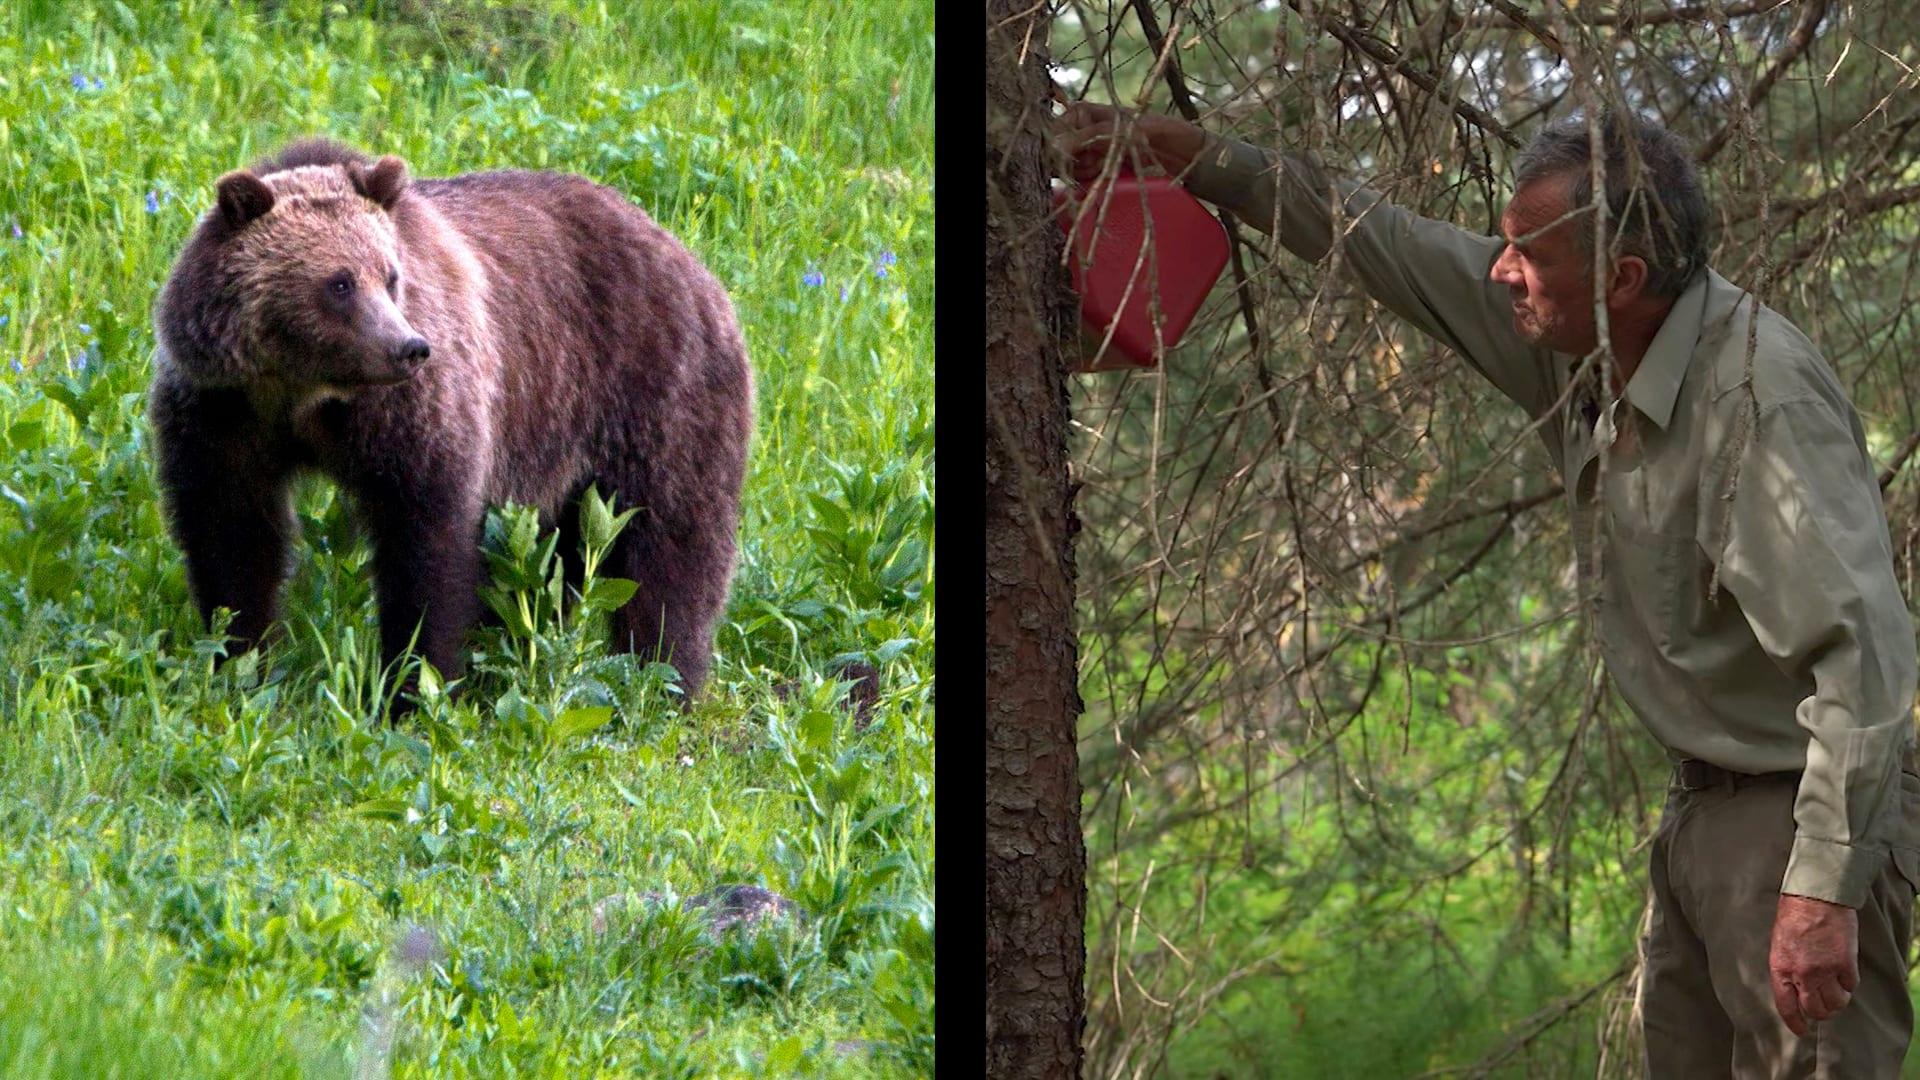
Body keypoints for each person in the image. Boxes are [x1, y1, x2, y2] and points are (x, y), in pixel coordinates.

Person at [1058, 102, 1920, 1076]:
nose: (1500, 270)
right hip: (1704, 822)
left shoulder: (1758, 402)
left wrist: (1821, 891)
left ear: (1622, 279)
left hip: (1798, 827)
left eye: (1526, 253)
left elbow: (1868, 658)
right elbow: (1385, 242)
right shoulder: (1584, 336)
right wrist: (1208, 161)